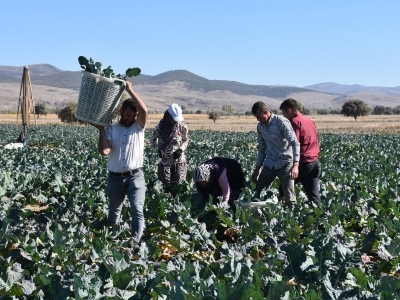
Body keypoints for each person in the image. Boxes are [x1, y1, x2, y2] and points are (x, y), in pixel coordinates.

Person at [91, 81, 148, 245]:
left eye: (133, 116)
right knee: (114, 213)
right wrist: (101, 130)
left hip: (135, 176)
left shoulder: (138, 127)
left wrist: (130, 89)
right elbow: (104, 151)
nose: (130, 118)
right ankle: (111, 241)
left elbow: (144, 110)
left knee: (137, 210)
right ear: (121, 111)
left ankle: (135, 243)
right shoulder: (111, 129)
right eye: (128, 115)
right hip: (115, 178)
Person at [251, 101, 300, 208]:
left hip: (285, 161)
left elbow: (294, 143)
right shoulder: (260, 127)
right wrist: (257, 168)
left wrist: (295, 165)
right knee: (259, 190)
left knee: (289, 194)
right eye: (256, 117)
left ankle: (292, 219)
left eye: (259, 116)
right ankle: (259, 217)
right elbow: (262, 148)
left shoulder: (281, 122)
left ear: (266, 112)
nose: (257, 119)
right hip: (270, 162)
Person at [279, 98, 321, 207]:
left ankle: (285, 215)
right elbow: (316, 140)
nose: (284, 117)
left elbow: (294, 144)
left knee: (283, 188)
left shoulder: (294, 122)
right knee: (314, 196)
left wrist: (294, 165)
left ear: (289, 110)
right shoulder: (309, 121)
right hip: (315, 162)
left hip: (303, 162)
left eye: (284, 113)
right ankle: (320, 219)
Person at [150, 104, 189, 187]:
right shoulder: (160, 128)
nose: (176, 121)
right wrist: (158, 149)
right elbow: (152, 140)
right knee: (165, 186)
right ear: (169, 116)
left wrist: (180, 150)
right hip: (164, 161)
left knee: (179, 185)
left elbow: (186, 140)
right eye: (174, 119)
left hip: (179, 161)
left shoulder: (182, 127)